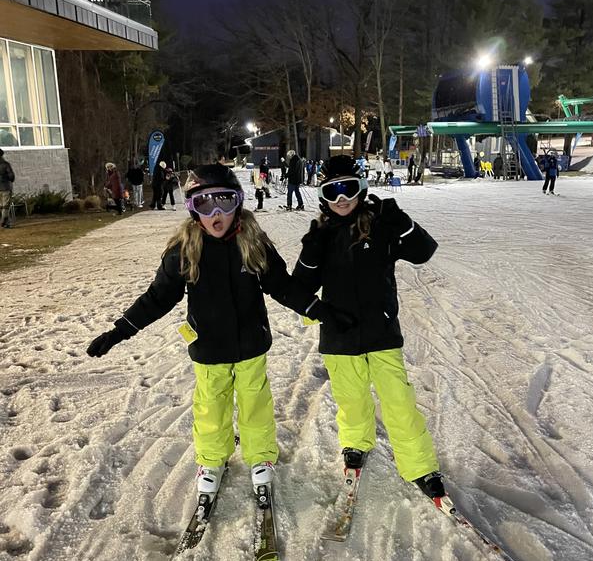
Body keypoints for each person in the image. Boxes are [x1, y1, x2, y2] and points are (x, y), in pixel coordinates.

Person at [86, 163, 349, 499]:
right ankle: (211, 460)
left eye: (224, 201)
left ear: (237, 203)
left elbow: (282, 285)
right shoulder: (184, 250)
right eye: (203, 203)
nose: (215, 213)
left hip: (251, 343)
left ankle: (260, 457)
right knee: (211, 406)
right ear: (192, 209)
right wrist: (119, 331)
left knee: (255, 403)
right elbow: (158, 298)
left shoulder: (252, 243)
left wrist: (318, 309)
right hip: (209, 347)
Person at [292, 155, 446, 500]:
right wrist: (311, 251)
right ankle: (355, 443)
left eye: (348, 188)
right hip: (339, 335)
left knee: (399, 402)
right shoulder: (322, 235)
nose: (341, 198)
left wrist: (402, 223)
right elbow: (300, 287)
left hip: (381, 333)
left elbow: (424, 252)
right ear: (323, 196)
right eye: (333, 191)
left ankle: (420, 466)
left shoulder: (380, 226)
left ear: (362, 188)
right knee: (351, 399)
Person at [0, 148, 15, 228]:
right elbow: (11, 176)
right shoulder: (6, 164)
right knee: (5, 206)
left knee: (1, 206)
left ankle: (6, 222)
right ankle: (3, 220)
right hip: (5, 187)